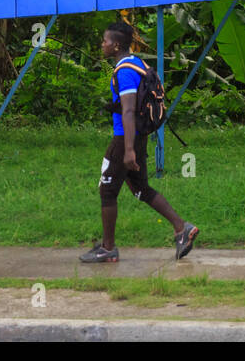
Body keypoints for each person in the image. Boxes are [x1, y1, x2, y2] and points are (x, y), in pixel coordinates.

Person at [80, 20, 199, 263]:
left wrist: (129, 150)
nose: (102, 45)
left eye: (105, 41)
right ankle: (181, 228)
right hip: (137, 136)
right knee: (140, 188)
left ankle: (108, 248)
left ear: (115, 46)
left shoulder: (124, 71)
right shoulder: (138, 64)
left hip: (125, 138)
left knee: (108, 189)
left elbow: (129, 110)